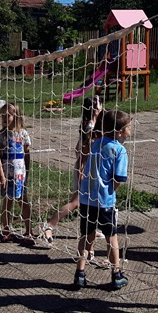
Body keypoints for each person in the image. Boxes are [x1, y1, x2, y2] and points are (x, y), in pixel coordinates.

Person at [73, 109, 131, 291]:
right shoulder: (120, 150)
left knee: (86, 236)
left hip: (87, 199)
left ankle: (80, 273)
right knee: (111, 238)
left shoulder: (96, 143)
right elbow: (118, 178)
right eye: (129, 128)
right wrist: (111, 192)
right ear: (120, 132)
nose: (130, 131)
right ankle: (117, 274)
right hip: (104, 201)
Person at [40, 96, 103, 247]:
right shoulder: (91, 127)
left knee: (93, 202)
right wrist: (82, 171)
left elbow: (77, 148)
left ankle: (92, 229)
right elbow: (83, 152)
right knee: (76, 202)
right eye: (100, 104)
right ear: (95, 109)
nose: (102, 107)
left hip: (90, 169)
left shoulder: (91, 125)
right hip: (86, 170)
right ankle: (49, 225)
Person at [0, 103, 32, 242]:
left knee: (23, 200)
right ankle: (6, 230)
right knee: (7, 201)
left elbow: (27, 154)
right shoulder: (1, 135)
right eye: (2, 115)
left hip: (19, 173)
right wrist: (1, 174)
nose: (4, 118)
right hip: (7, 173)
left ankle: (29, 231)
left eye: (8, 115)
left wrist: (27, 171)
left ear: (16, 116)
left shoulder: (23, 133)